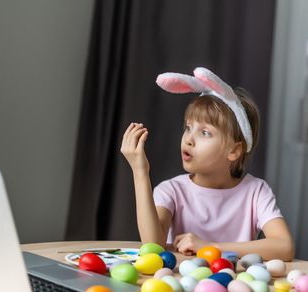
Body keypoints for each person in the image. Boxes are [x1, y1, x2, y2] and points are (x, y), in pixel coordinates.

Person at [120, 67, 294, 261]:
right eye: (188, 128)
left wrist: (210, 247)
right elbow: (153, 247)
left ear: (234, 151)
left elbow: (284, 246)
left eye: (205, 133)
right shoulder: (171, 190)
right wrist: (140, 171)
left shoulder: (256, 191)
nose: (188, 139)